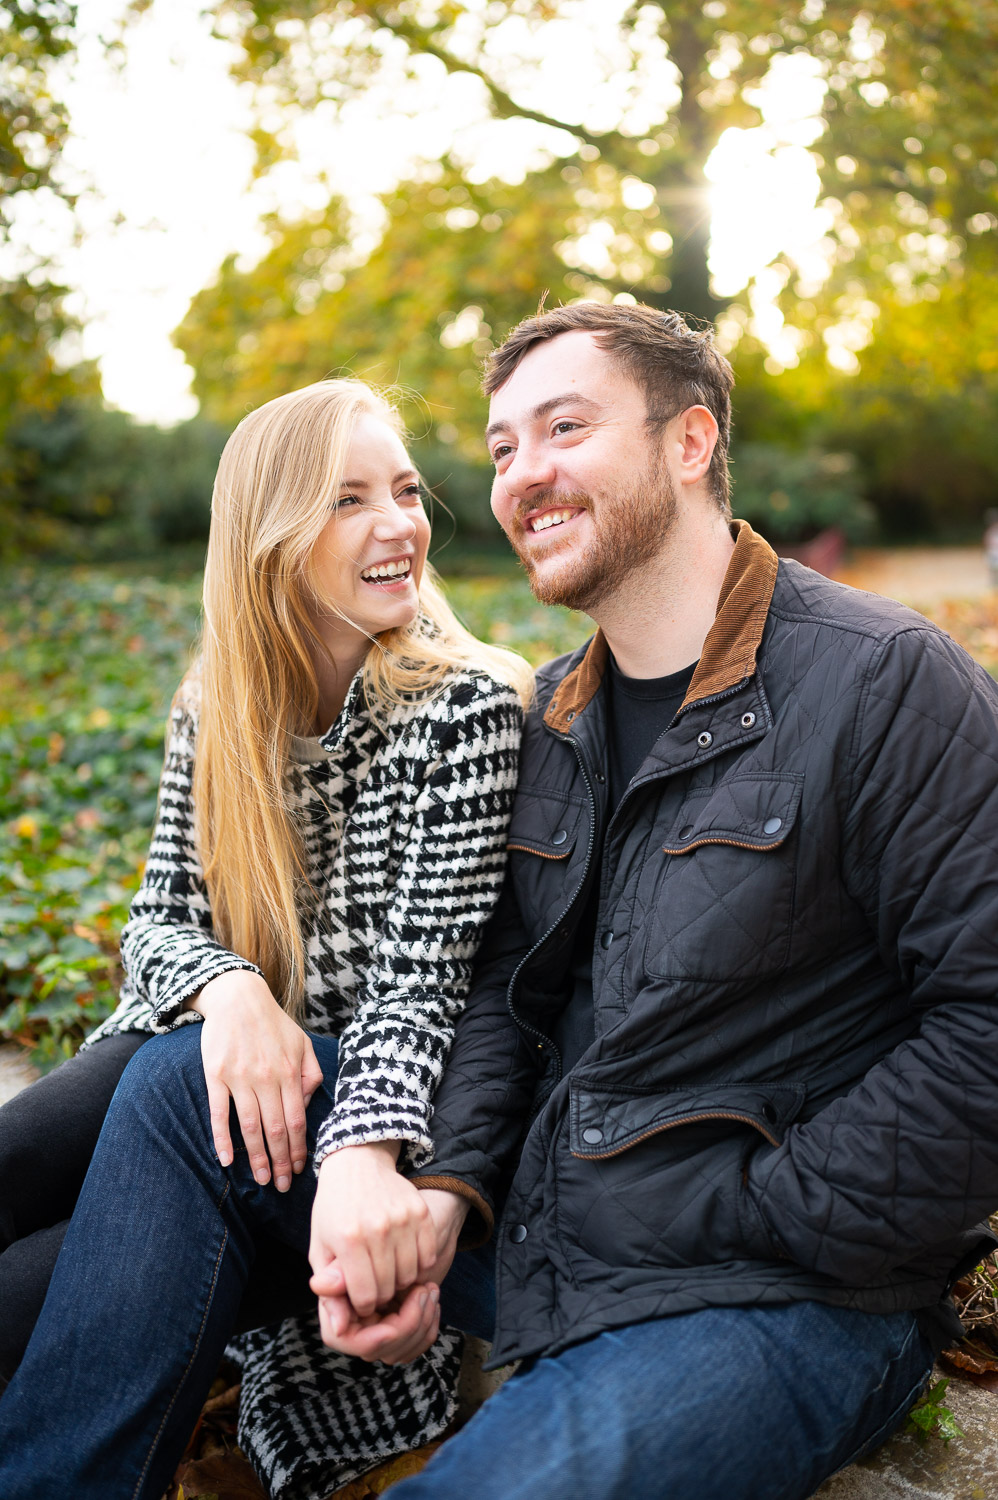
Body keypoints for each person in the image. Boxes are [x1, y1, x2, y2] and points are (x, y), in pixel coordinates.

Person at [367, 300, 997, 1500]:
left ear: (689, 441)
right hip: (543, 1222)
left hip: (775, 1287)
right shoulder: (550, 712)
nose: (521, 475)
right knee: (185, 1102)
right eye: (501, 447)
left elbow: (985, 1021)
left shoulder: (882, 682)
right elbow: (504, 988)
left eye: (563, 427)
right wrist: (445, 1184)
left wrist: (759, 1210)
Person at [0, 377, 530, 1499]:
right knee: (28, 1211)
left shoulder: (466, 709)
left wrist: (347, 1142)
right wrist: (232, 992)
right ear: (271, 537)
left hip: (379, 1113)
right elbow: (159, 921)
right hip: (237, 1091)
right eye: (349, 499)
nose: (400, 524)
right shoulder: (221, 709)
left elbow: (420, 993)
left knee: (153, 1092)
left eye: (405, 491)